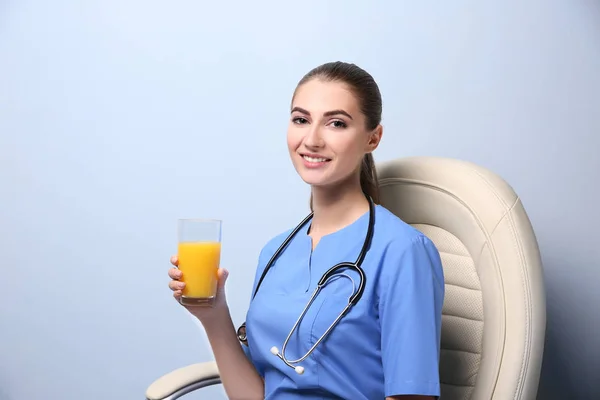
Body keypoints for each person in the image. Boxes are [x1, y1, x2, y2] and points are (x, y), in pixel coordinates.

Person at [168, 61, 445, 400]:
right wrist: (213, 314)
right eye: (301, 119)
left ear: (373, 137)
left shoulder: (403, 251)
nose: (312, 140)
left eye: (336, 123)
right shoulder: (276, 252)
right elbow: (259, 394)